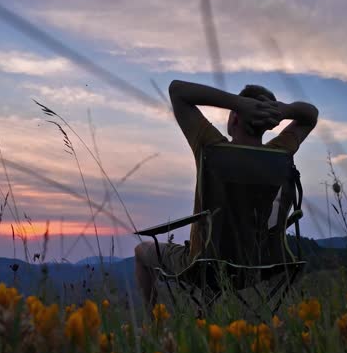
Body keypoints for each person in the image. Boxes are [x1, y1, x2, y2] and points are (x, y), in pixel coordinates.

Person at [135, 79, 319, 308]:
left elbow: (177, 90)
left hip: (203, 265)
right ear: (269, 124)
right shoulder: (280, 152)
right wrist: (284, 111)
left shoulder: (209, 146)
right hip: (261, 265)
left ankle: (155, 325)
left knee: (141, 250)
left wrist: (238, 103)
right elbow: (311, 114)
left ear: (234, 118)